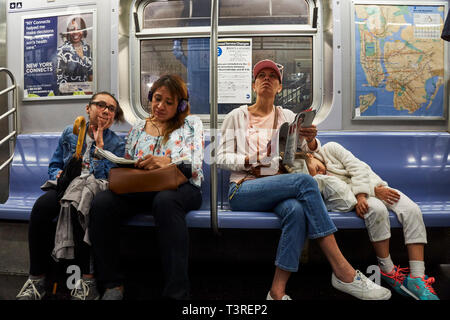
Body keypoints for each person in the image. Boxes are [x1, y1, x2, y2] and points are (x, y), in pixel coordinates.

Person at [217, 59, 392, 300]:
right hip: (244, 189)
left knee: (297, 211)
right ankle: (344, 272)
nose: (267, 79)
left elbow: (302, 150)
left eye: (273, 77)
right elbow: (221, 157)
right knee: (305, 183)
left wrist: (309, 140)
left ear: (279, 87)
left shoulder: (286, 115)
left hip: (278, 184)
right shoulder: (236, 116)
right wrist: (250, 160)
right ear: (254, 85)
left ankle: (276, 293)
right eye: (261, 76)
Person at [88, 74, 204, 300]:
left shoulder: (192, 124)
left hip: (182, 187)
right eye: (157, 99)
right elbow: (128, 160)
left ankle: (177, 293)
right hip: (143, 186)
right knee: (102, 203)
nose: (160, 106)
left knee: (166, 201)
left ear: (180, 105)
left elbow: (196, 166)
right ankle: (112, 284)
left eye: (169, 102)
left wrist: (166, 161)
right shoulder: (140, 126)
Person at [16, 91, 125, 300]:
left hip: (93, 189)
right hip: (67, 187)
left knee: (79, 206)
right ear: (88, 108)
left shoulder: (116, 143)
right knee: (40, 208)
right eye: (101, 105)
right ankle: (36, 279)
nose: (106, 111)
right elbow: (55, 164)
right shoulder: (70, 132)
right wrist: (56, 173)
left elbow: (107, 178)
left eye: (111, 109)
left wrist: (99, 149)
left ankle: (87, 279)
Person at [300, 141, 439, 300]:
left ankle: (418, 277)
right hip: (358, 200)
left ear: (310, 156)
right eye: (318, 175)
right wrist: (361, 195)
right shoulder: (318, 179)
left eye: (318, 169)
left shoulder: (331, 148)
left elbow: (358, 168)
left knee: (412, 210)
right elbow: (341, 197)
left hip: (376, 188)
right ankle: (388, 270)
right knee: (377, 210)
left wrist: (369, 192)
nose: (321, 173)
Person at [54, 16, 93, 95]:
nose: (76, 32)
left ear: (83, 31)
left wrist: (93, 91)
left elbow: (90, 74)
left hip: (86, 97)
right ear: (68, 31)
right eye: (72, 29)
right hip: (68, 98)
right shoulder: (61, 51)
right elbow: (59, 83)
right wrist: (82, 89)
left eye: (79, 29)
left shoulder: (87, 48)